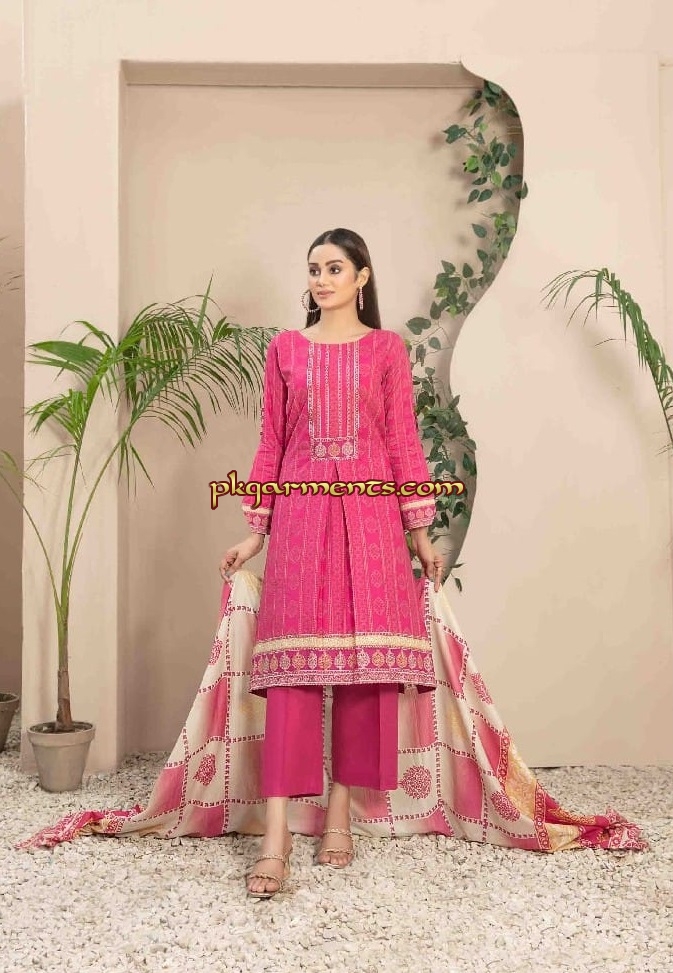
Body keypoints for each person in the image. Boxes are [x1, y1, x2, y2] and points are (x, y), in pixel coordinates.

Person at [220, 227, 445, 898]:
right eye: (314, 268)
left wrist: (420, 534)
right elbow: (271, 441)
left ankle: (339, 814)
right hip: (301, 517)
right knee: (290, 671)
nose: (321, 279)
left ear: (361, 276)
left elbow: (403, 441)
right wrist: (256, 532)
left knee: (360, 669)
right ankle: (277, 834)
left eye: (334, 268)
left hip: (372, 522)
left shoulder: (386, 349)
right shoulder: (286, 349)